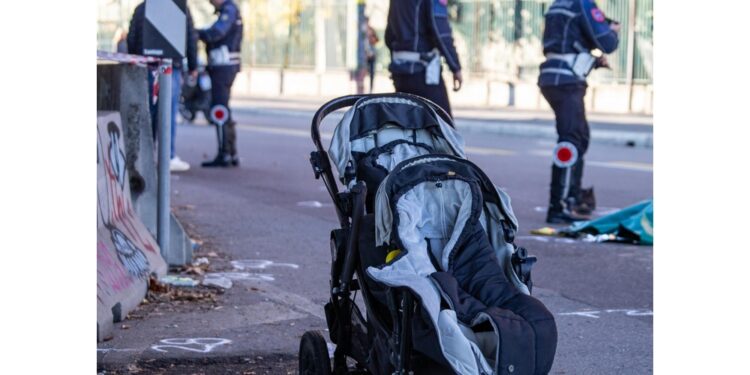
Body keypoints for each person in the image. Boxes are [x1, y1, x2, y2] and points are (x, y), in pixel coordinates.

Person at [537, 0, 620, 224]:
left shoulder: (558, 4)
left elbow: (566, 41)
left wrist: (591, 60)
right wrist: (612, 31)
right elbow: (607, 42)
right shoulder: (582, 3)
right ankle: (559, 205)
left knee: (580, 136)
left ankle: (572, 197)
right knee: (571, 139)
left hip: (554, 77)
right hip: (566, 81)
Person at [127, 2, 198, 172]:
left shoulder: (143, 7)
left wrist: (136, 61)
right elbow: (189, 37)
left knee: (147, 112)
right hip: (170, 65)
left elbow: (132, 36)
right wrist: (193, 65)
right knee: (168, 112)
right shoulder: (179, 8)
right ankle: (168, 156)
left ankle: (146, 156)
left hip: (146, 67)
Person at [385, 0, 463, 117]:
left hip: (400, 72)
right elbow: (441, 33)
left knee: (405, 126)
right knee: (444, 125)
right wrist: (455, 67)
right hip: (423, 72)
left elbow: (389, 35)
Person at [198, 0, 243, 168]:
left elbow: (217, 33)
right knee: (223, 108)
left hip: (223, 66)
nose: (210, 2)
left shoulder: (229, 10)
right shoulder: (229, 10)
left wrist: (197, 34)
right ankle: (230, 152)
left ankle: (225, 153)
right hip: (225, 66)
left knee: (219, 109)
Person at [365, 20, 379, 94]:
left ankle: (371, 89)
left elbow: (377, 40)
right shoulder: (362, 31)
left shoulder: (371, 30)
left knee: (372, 73)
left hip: (372, 55)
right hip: (365, 56)